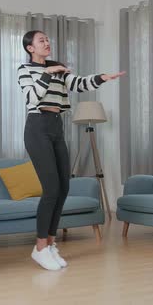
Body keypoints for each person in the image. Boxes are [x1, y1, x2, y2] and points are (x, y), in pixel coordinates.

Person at [18, 30, 125, 271]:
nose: (47, 43)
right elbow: (33, 97)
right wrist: (47, 73)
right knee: (51, 189)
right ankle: (40, 248)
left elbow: (79, 83)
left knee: (63, 187)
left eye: (47, 39)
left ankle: (51, 243)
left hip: (56, 127)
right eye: (41, 40)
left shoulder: (58, 68)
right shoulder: (26, 70)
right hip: (37, 128)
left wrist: (103, 78)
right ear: (30, 48)